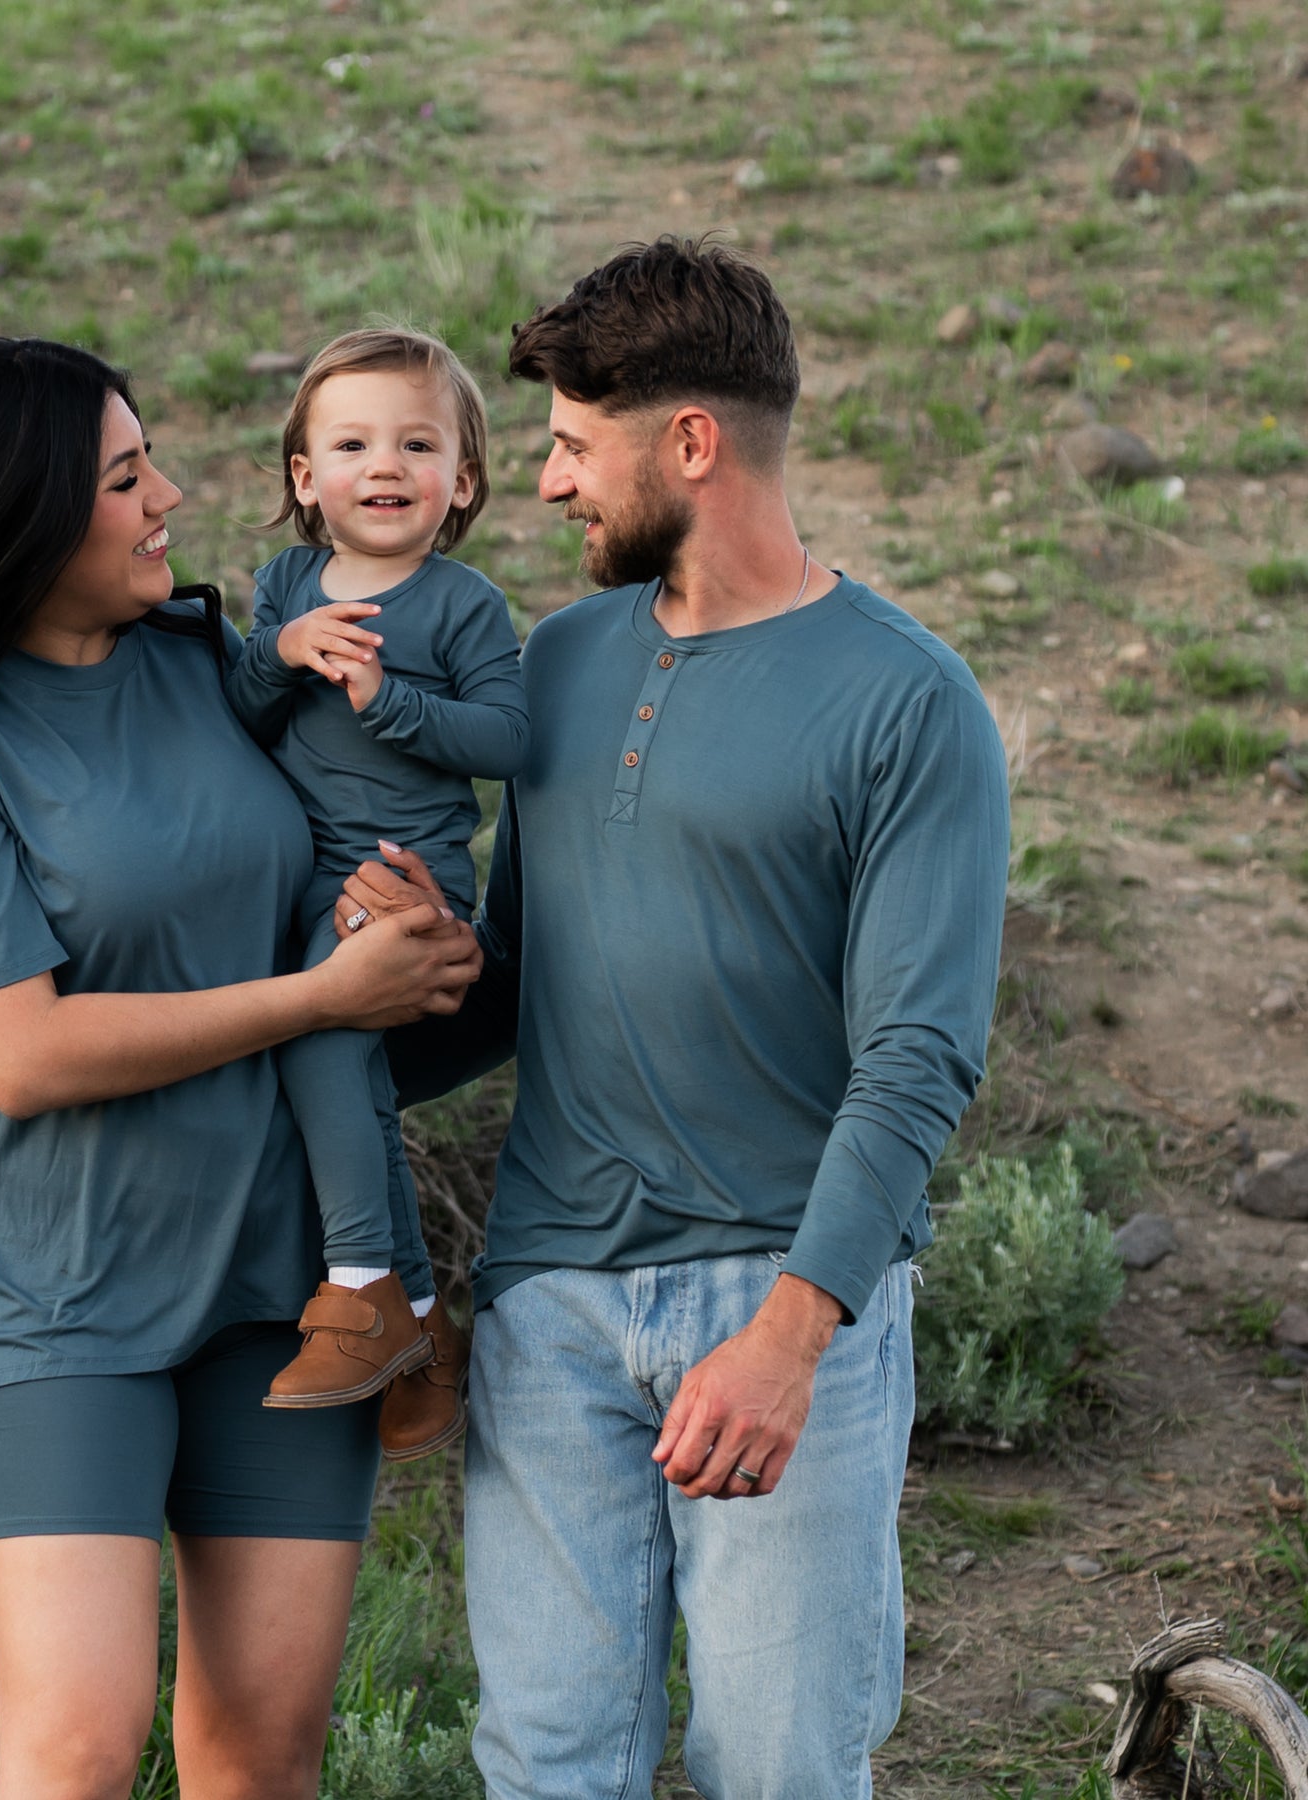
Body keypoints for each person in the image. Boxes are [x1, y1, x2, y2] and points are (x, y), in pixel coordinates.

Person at [338, 239, 1012, 1798]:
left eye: (576, 445)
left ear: (690, 444)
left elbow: (920, 1058)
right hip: (553, 1306)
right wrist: (364, 996)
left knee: (778, 1766)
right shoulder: (561, 661)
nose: (553, 483)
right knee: (548, 1765)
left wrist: (791, 1339)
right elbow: (521, 985)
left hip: (783, 1309)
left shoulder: (911, 705)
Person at [0, 336, 480, 1800]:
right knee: (80, 1749)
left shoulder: (212, 668)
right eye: (123, 475)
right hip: (55, 1303)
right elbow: (20, 1055)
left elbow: (348, 833)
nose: (169, 494)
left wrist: (415, 940)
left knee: (262, 1755)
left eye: (150, 458)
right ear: (18, 518)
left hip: (278, 1294)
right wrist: (317, 995)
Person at [224, 328, 527, 1458]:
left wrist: (387, 700)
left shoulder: (460, 606)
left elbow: (508, 737)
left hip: (407, 884)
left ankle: (359, 1290)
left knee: (320, 1038)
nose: (384, 464)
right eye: (351, 443)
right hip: (304, 877)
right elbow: (243, 717)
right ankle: (418, 1331)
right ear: (307, 478)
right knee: (349, 1076)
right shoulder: (288, 585)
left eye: (417, 442)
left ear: (463, 479)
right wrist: (279, 651)